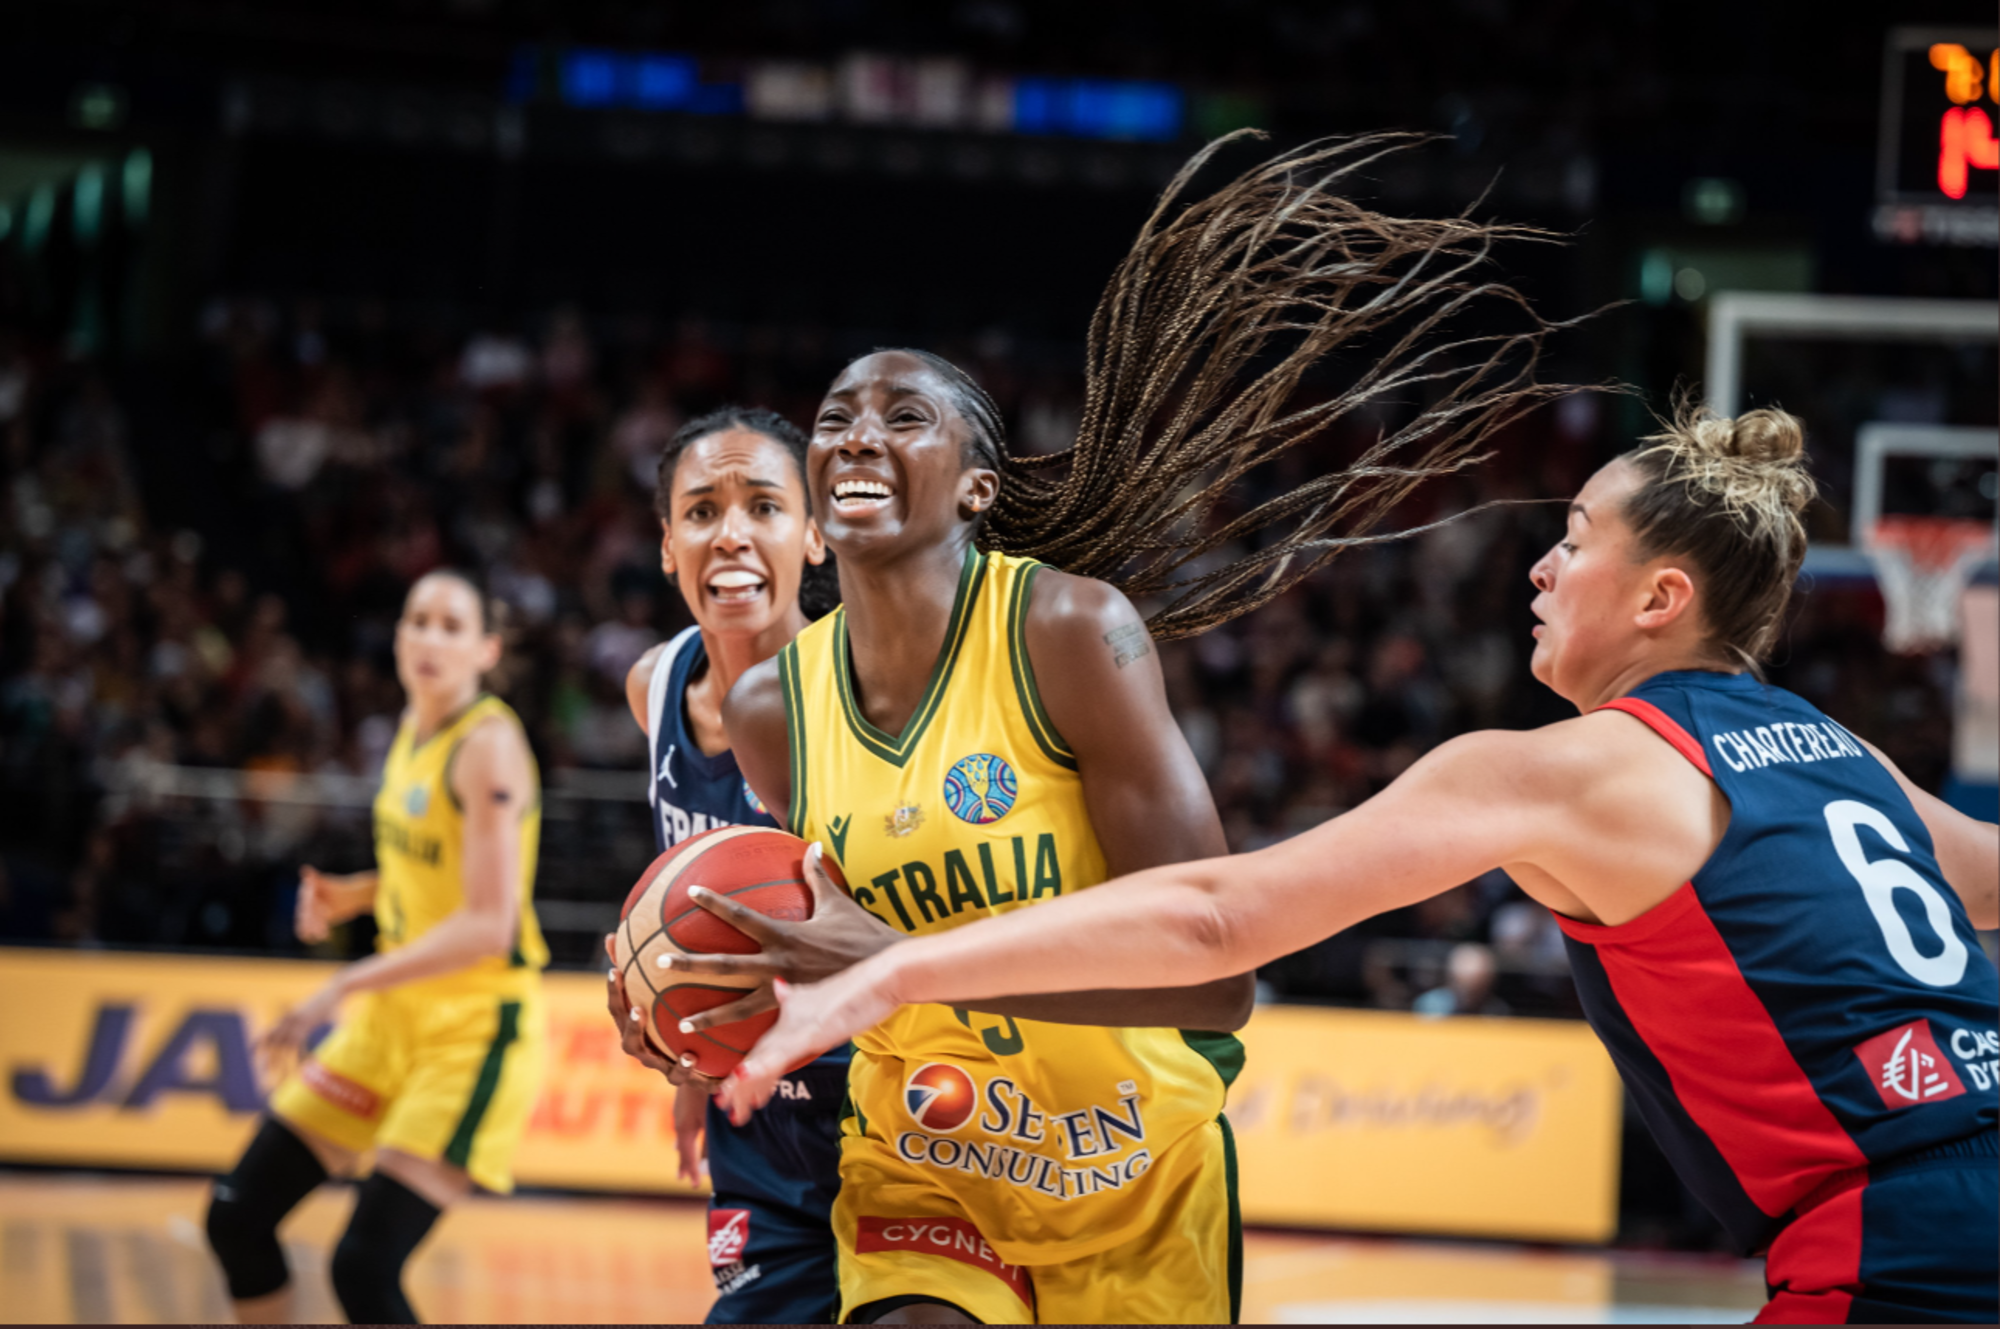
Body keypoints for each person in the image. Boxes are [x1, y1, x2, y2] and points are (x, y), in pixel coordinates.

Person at [724, 404, 2000, 1326]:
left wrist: (897, 969)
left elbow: (1219, 920)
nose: (1540, 567)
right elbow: (1986, 880)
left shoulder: (1571, 768)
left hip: (1895, 1248)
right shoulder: (1838, 755)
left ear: (1659, 601)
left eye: (1571, 537)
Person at [670, 132, 1569, 1327]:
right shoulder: (770, 708)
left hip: (1129, 1166)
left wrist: (894, 962)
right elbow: (818, 951)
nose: (855, 437)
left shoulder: (1070, 632)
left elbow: (1213, 983)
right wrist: (706, 1012)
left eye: (904, 417)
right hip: (922, 1158)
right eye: (834, 417)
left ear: (977, 488)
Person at [204, 570, 548, 1324]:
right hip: (388, 1022)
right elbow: (426, 868)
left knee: (363, 1267)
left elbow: (489, 920)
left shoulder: (488, 747)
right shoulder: (409, 728)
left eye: (452, 625)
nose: (429, 637)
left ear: (487, 649)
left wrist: (341, 983)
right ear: (396, 636)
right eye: (417, 619)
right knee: (236, 1216)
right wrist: (353, 894)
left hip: (471, 1030)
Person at [603, 405, 846, 1324]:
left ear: (815, 535)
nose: (731, 531)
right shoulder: (654, 683)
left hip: (878, 1098)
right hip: (754, 1109)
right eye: (701, 511)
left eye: (764, 506)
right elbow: (691, 885)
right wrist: (689, 1057)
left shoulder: (863, 692)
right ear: (667, 547)